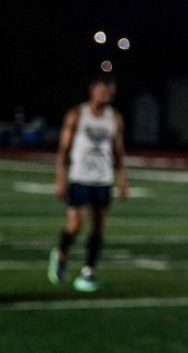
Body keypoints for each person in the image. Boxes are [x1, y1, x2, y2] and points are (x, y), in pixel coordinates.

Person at [49, 76, 129, 292]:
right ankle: (62, 254)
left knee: (99, 228)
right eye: (102, 90)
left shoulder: (114, 118)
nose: (106, 94)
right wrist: (60, 179)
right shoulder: (77, 115)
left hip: (103, 179)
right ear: (92, 90)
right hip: (80, 177)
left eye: (109, 91)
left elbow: (118, 152)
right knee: (75, 225)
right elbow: (63, 151)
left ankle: (89, 270)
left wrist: (122, 181)